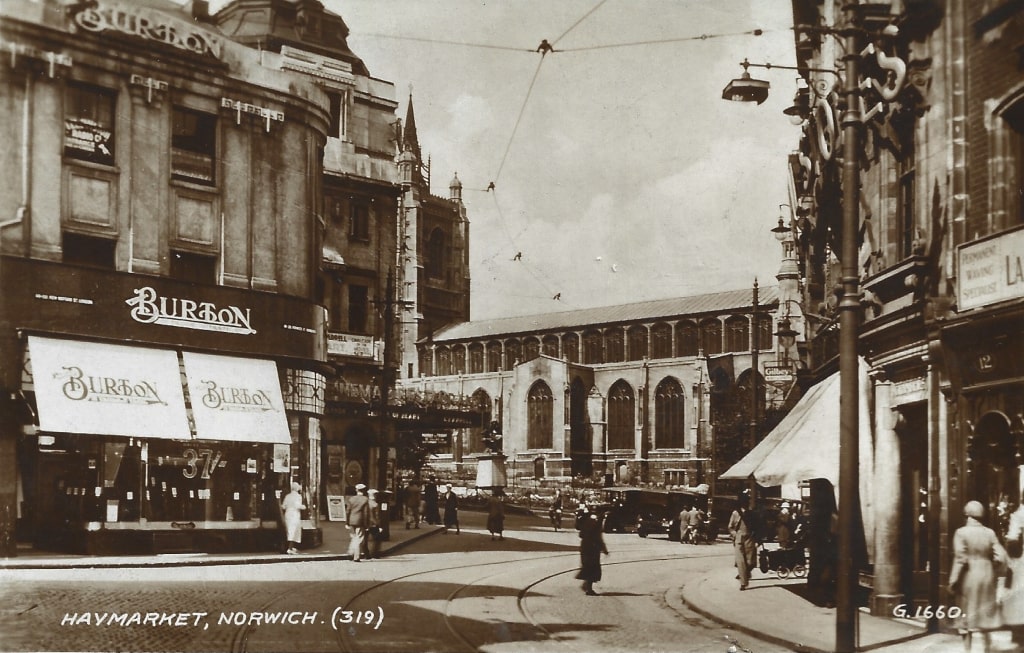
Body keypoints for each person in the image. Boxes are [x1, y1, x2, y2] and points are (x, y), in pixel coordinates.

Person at [949, 500, 1007, 653]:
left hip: (969, 576)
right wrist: (993, 569)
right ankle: (987, 649)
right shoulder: (990, 533)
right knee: (985, 614)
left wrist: (953, 580)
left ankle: (967, 651)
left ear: (967, 514)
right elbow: (1001, 556)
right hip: (987, 575)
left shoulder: (961, 532)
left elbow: (960, 559)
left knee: (965, 614)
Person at [1004, 492, 1024, 646]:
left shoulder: (1018, 515)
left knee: (1019, 598)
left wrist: (1010, 562)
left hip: (1021, 562)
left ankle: (1019, 635)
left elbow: (1012, 540)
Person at [576, 503, 609, 595]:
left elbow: (580, 532)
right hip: (593, 547)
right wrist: (604, 549)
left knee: (587, 565)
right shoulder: (598, 521)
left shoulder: (586, 518)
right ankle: (588, 588)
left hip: (584, 545)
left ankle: (586, 585)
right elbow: (598, 536)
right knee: (593, 567)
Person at [728, 495, 758, 590]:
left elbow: (756, 526)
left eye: (747, 502)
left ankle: (746, 573)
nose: (745, 504)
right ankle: (743, 583)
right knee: (740, 561)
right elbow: (730, 526)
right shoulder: (736, 513)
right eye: (744, 502)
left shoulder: (751, 513)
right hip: (739, 538)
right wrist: (734, 534)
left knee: (750, 562)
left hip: (749, 538)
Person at [346, 483, 370, 562]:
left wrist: (347, 522)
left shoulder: (351, 499)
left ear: (356, 490)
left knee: (353, 537)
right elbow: (366, 513)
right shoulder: (365, 499)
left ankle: (351, 553)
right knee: (359, 539)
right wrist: (366, 525)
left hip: (352, 520)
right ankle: (356, 556)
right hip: (360, 521)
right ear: (364, 490)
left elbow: (348, 511)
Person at [280, 481, 305, 555]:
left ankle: (291, 547)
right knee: (294, 531)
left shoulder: (288, 496)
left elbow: (283, 506)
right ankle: (290, 548)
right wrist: (303, 507)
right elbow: (297, 506)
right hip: (294, 515)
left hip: (288, 514)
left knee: (289, 530)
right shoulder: (298, 496)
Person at [365, 488, 382, 559]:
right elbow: (376, 516)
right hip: (373, 524)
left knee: (365, 539)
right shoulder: (375, 504)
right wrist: (378, 524)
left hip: (365, 523)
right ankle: (375, 553)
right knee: (377, 539)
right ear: (374, 496)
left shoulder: (366, 503)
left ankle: (366, 554)